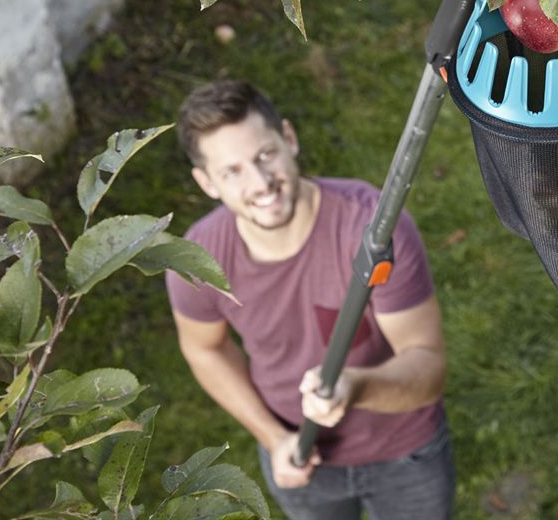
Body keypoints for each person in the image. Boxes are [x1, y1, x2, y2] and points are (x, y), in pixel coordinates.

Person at [166, 80, 453, 519]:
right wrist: (272, 438)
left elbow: (428, 368)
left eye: (265, 155)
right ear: (206, 182)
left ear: (289, 138)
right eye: (233, 171)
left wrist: (353, 387)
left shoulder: (373, 229)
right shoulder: (199, 259)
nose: (261, 183)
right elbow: (204, 349)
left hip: (405, 452)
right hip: (299, 457)